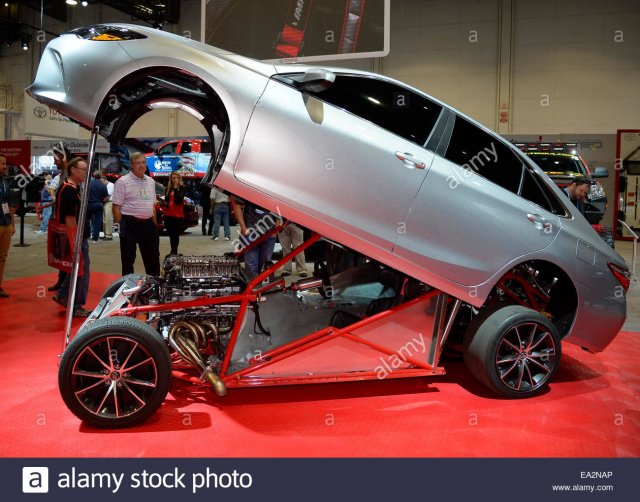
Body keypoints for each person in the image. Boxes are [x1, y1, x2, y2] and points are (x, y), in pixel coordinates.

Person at [51, 157, 91, 317]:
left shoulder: (73, 188)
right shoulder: (68, 190)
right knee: (81, 271)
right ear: (73, 170)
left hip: (77, 236)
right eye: (82, 169)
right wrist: (74, 241)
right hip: (75, 236)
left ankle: (63, 294)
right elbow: (69, 218)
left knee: (76, 269)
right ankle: (76, 304)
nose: (85, 172)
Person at [112, 152, 160, 276]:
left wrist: (154, 225)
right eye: (138, 163)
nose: (141, 165)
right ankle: (128, 286)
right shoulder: (122, 182)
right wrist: (119, 228)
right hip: (129, 224)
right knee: (128, 259)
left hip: (148, 224)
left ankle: (154, 286)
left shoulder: (150, 181)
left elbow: (152, 205)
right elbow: (116, 207)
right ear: (131, 165)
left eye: (143, 162)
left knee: (153, 258)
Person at [233, 197, 279, 280]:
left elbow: (281, 209)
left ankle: (259, 285)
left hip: (269, 232)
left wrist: (275, 231)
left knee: (265, 263)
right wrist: (243, 228)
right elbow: (237, 205)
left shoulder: (276, 189)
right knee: (251, 264)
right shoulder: (249, 188)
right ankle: (254, 286)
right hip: (250, 231)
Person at [47, 144, 72, 292]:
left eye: (56, 159)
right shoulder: (62, 175)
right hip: (60, 220)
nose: (54, 162)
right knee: (61, 252)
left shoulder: (72, 175)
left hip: (69, 222)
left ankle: (67, 285)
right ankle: (61, 281)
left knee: (69, 254)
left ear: (63, 158)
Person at [0, 153, 16, 298]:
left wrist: (12, 223)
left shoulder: (5, 182)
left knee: (2, 257)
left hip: (5, 223)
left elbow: (9, 204)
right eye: (2, 164)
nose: (5, 166)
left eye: (5, 163)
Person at [163, 172, 185, 255]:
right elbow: (167, 201)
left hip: (177, 215)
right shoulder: (168, 189)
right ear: (171, 179)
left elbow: (178, 201)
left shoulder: (182, 188)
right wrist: (163, 203)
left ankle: (174, 252)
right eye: (173, 178)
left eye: (177, 178)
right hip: (168, 214)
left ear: (179, 179)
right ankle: (173, 251)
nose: (175, 179)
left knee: (175, 234)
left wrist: (175, 187)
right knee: (171, 234)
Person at [87, 170, 109, 243]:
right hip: (99, 204)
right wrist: (102, 201)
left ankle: (86, 236)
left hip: (89, 204)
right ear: (101, 176)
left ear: (94, 175)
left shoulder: (89, 184)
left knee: (87, 221)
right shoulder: (103, 185)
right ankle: (95, 239)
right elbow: (106, 197)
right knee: (97, 222)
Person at [101, 174, 114, 240]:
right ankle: (105, 234)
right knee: (104, 220)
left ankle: (109, 235)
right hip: (105, 203)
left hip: (109, 203)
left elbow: (108, 195)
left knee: (108, 219)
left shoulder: (111, 185)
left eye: (101, 181)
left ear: (104, 179)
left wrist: (101, 200)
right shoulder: (104, 185)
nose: (101, 183)